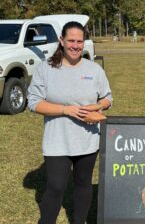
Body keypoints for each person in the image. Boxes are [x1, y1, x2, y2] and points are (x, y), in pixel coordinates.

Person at [27, 21, 112, 224]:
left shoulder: (94, 69)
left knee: (83, 185)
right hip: (58, 141)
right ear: (61, 41)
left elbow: (107, 98)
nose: (76, 45)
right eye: (71, 40)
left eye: (80, 41)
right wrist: (66, 110)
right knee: (56, 186)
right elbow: (34, 102)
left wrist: (94, 108)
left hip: (88, 140)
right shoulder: (46, 68)